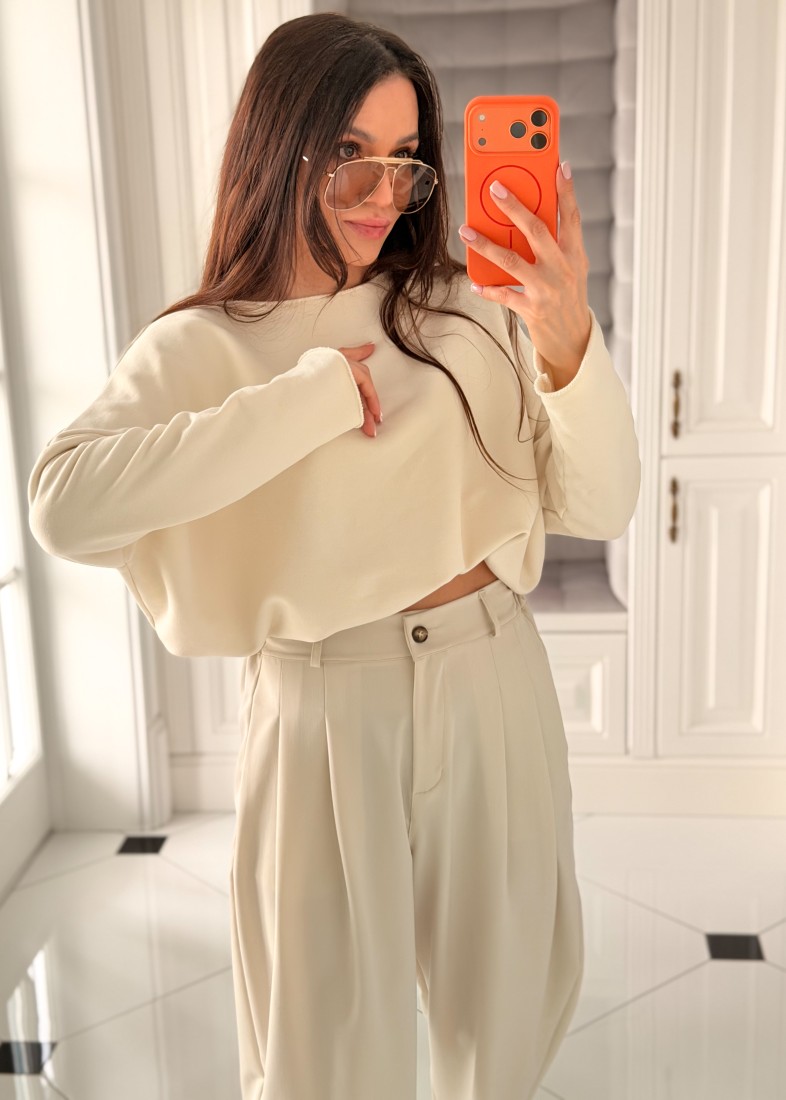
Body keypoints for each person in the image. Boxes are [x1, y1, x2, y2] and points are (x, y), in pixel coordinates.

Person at [27, 12, 641, 1100]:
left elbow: (600, 500)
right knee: (320, 1055)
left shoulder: (468, 308)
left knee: (506, 1025)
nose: (381, 193)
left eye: (404, 161)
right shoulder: (204, 344)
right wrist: (309, 399)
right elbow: (64, 507)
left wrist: (568, 341)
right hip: (320, 710)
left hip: (490, 678)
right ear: (280, 142)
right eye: (350, 152)